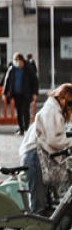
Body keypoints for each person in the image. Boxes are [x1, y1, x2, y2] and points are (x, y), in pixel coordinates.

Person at [19, 83, 72, 214]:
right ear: (64, 98)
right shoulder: (51, 111)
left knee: (47, 202)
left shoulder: (54, 110)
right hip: (35, 156)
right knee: (39, 204)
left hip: (39, 155)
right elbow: (54, 139)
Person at [2, 52, 39, 135]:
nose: (15, 61)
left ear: (21, 60)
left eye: (16, 60)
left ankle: (26, 128)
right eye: (14, 60)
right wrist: (4, 93)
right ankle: (21, 129)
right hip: (16, 94)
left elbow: (35, 81)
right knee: (19, 111)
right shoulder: (12, 69)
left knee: (26, 110)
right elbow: (7, 81)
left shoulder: (28, 69)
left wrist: (35, 93)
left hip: (26, 93)